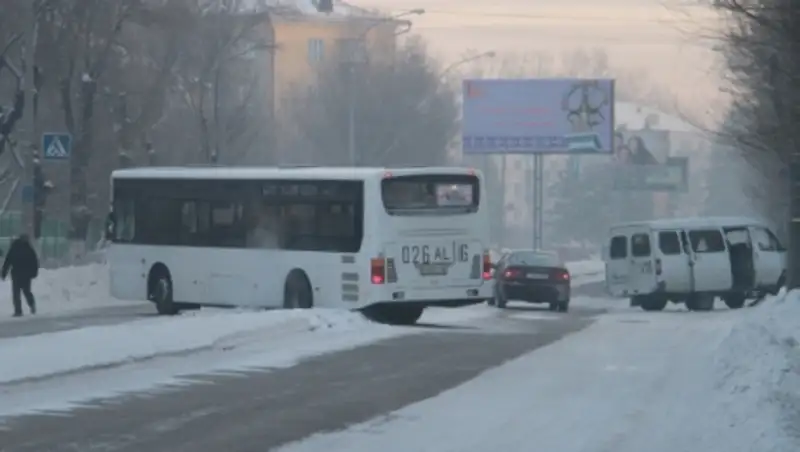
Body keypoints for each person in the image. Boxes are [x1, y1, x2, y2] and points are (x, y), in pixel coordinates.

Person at [1, 234, 39, 317]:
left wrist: (4, 272)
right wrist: (34, 272)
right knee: (26, 291)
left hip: (17, 274)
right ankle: (31, 305)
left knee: (16, 293)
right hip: (25, 275)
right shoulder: (28, 249)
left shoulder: (14, 248)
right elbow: (35, 262)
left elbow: (8, 261)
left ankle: (18, 310)